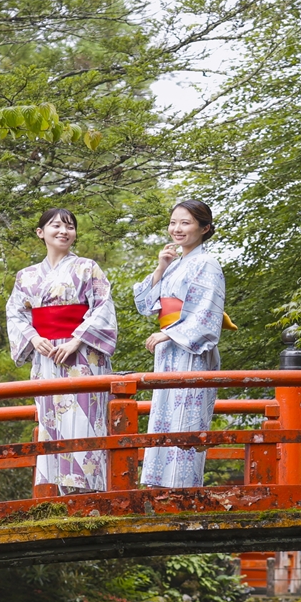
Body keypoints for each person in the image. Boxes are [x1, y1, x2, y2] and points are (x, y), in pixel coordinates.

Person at [5, 207, 119, 493]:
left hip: (82, 355)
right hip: (46, 357)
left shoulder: (87, 268)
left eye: (69, 227)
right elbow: (15, 314)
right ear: (40, 233)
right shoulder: (26, 277)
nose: (63, 232)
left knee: (86, 421)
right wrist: (33, 338)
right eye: (56, 226)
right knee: (51, 420)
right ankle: (61, 493)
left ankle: (91, 494)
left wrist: (77, 339)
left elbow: (103, 307)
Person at [134, 199, 226, 489]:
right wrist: (161, 268)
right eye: (173, 222)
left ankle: (183, 491)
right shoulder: (176, 265)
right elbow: (146, 306)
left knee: (185, 420)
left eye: (185, 223)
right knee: (163, 417)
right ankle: (158, 488)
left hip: (190, 351)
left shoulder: (207, 264)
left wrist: (170, 333)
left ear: (205, 228)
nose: (177, 228)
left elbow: (207, 313)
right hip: (168, 352)